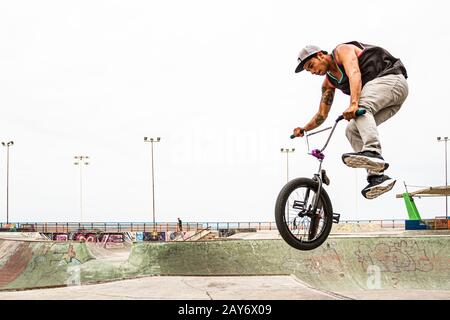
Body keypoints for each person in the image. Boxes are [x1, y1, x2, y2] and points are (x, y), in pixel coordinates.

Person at [293, 41, 408, 199]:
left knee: (361, 108)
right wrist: (304, 128)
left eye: (311, 66)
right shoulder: (328, 84)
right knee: (352, 129)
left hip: (391, 80)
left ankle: (373, 152)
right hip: (390, 100)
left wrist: (354, 104)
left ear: (320, 55)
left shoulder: (342, 51)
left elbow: (354, 72)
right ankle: (377, 177)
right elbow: (321, 114)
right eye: (309, 71)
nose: (312, 72)